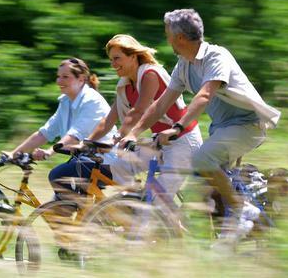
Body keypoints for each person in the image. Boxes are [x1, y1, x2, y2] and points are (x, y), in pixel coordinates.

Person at [121, 9, 281, 237]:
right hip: (221, 130)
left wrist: (177, 128)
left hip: (248, 125)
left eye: (168, 34)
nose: (166, 39)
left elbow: (204, 96)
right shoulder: (184, 65)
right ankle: (221, 240)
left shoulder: (216, 57)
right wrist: (134, 133)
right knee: (196, 196)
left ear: (180, 38)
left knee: (201, 159)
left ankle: (242, 209)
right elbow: (161, 104)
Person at [84, 34, 203, 205]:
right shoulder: (126, 85)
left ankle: (161, 220)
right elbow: (108, 120)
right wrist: (87, 142)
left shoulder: (150, 74)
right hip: (159, 141)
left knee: (156, 200)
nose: (113, 64)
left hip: (182, 140)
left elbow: (138, 111)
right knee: (120, 167)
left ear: (133, 56)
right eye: (111, 60)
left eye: (117, 58)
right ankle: (134, 203)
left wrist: (117, 139)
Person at [7, 57, 115, 199]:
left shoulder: (92, 101)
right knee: (58, 203)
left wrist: (49, 152)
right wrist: (14, 153)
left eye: (65, 77)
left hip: (106, 161)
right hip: (85, 161)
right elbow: (44, 133)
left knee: (57, 175)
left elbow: (74, 135)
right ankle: (81, 217)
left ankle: (79, 216)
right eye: (58, 76)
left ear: (81, 79)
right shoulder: (65, 102)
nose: (59, 81)